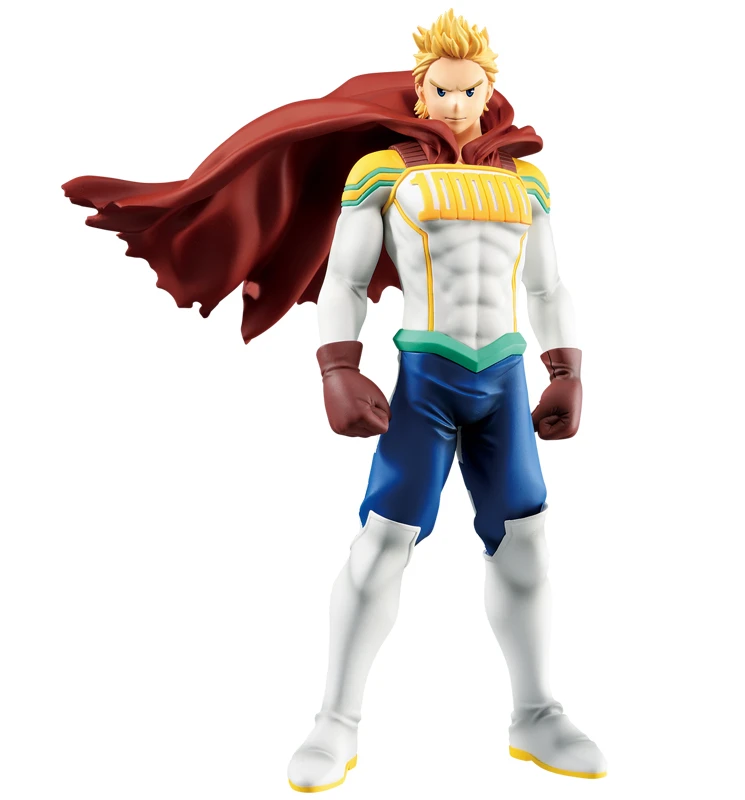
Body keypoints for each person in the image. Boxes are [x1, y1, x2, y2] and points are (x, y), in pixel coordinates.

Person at [63, 8, 605, 793]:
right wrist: (337, 366)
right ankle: (336, 720)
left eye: (470, 90)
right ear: (420, 92)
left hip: (504, 375)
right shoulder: (384, 172)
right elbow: (346, 279)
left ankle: (537, 711)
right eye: (443, 90)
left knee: (527, 541)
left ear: (490, 92)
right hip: (427, 375)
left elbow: (549, 285)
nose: (456, 103)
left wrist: (566, 367)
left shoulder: (526, 180)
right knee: (384, 540)